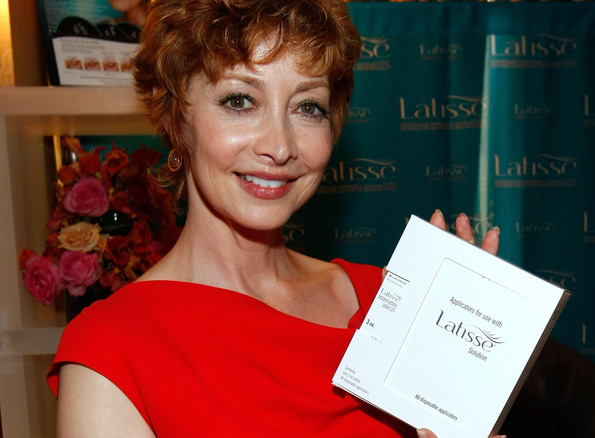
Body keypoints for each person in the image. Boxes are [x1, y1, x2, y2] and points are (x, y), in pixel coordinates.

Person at [46, 0, 502, 437]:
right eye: (240, 101)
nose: (280, 146)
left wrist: (460, 369)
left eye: (308, 107)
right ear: (176, 117)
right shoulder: (112, 349)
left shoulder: (387, 302)